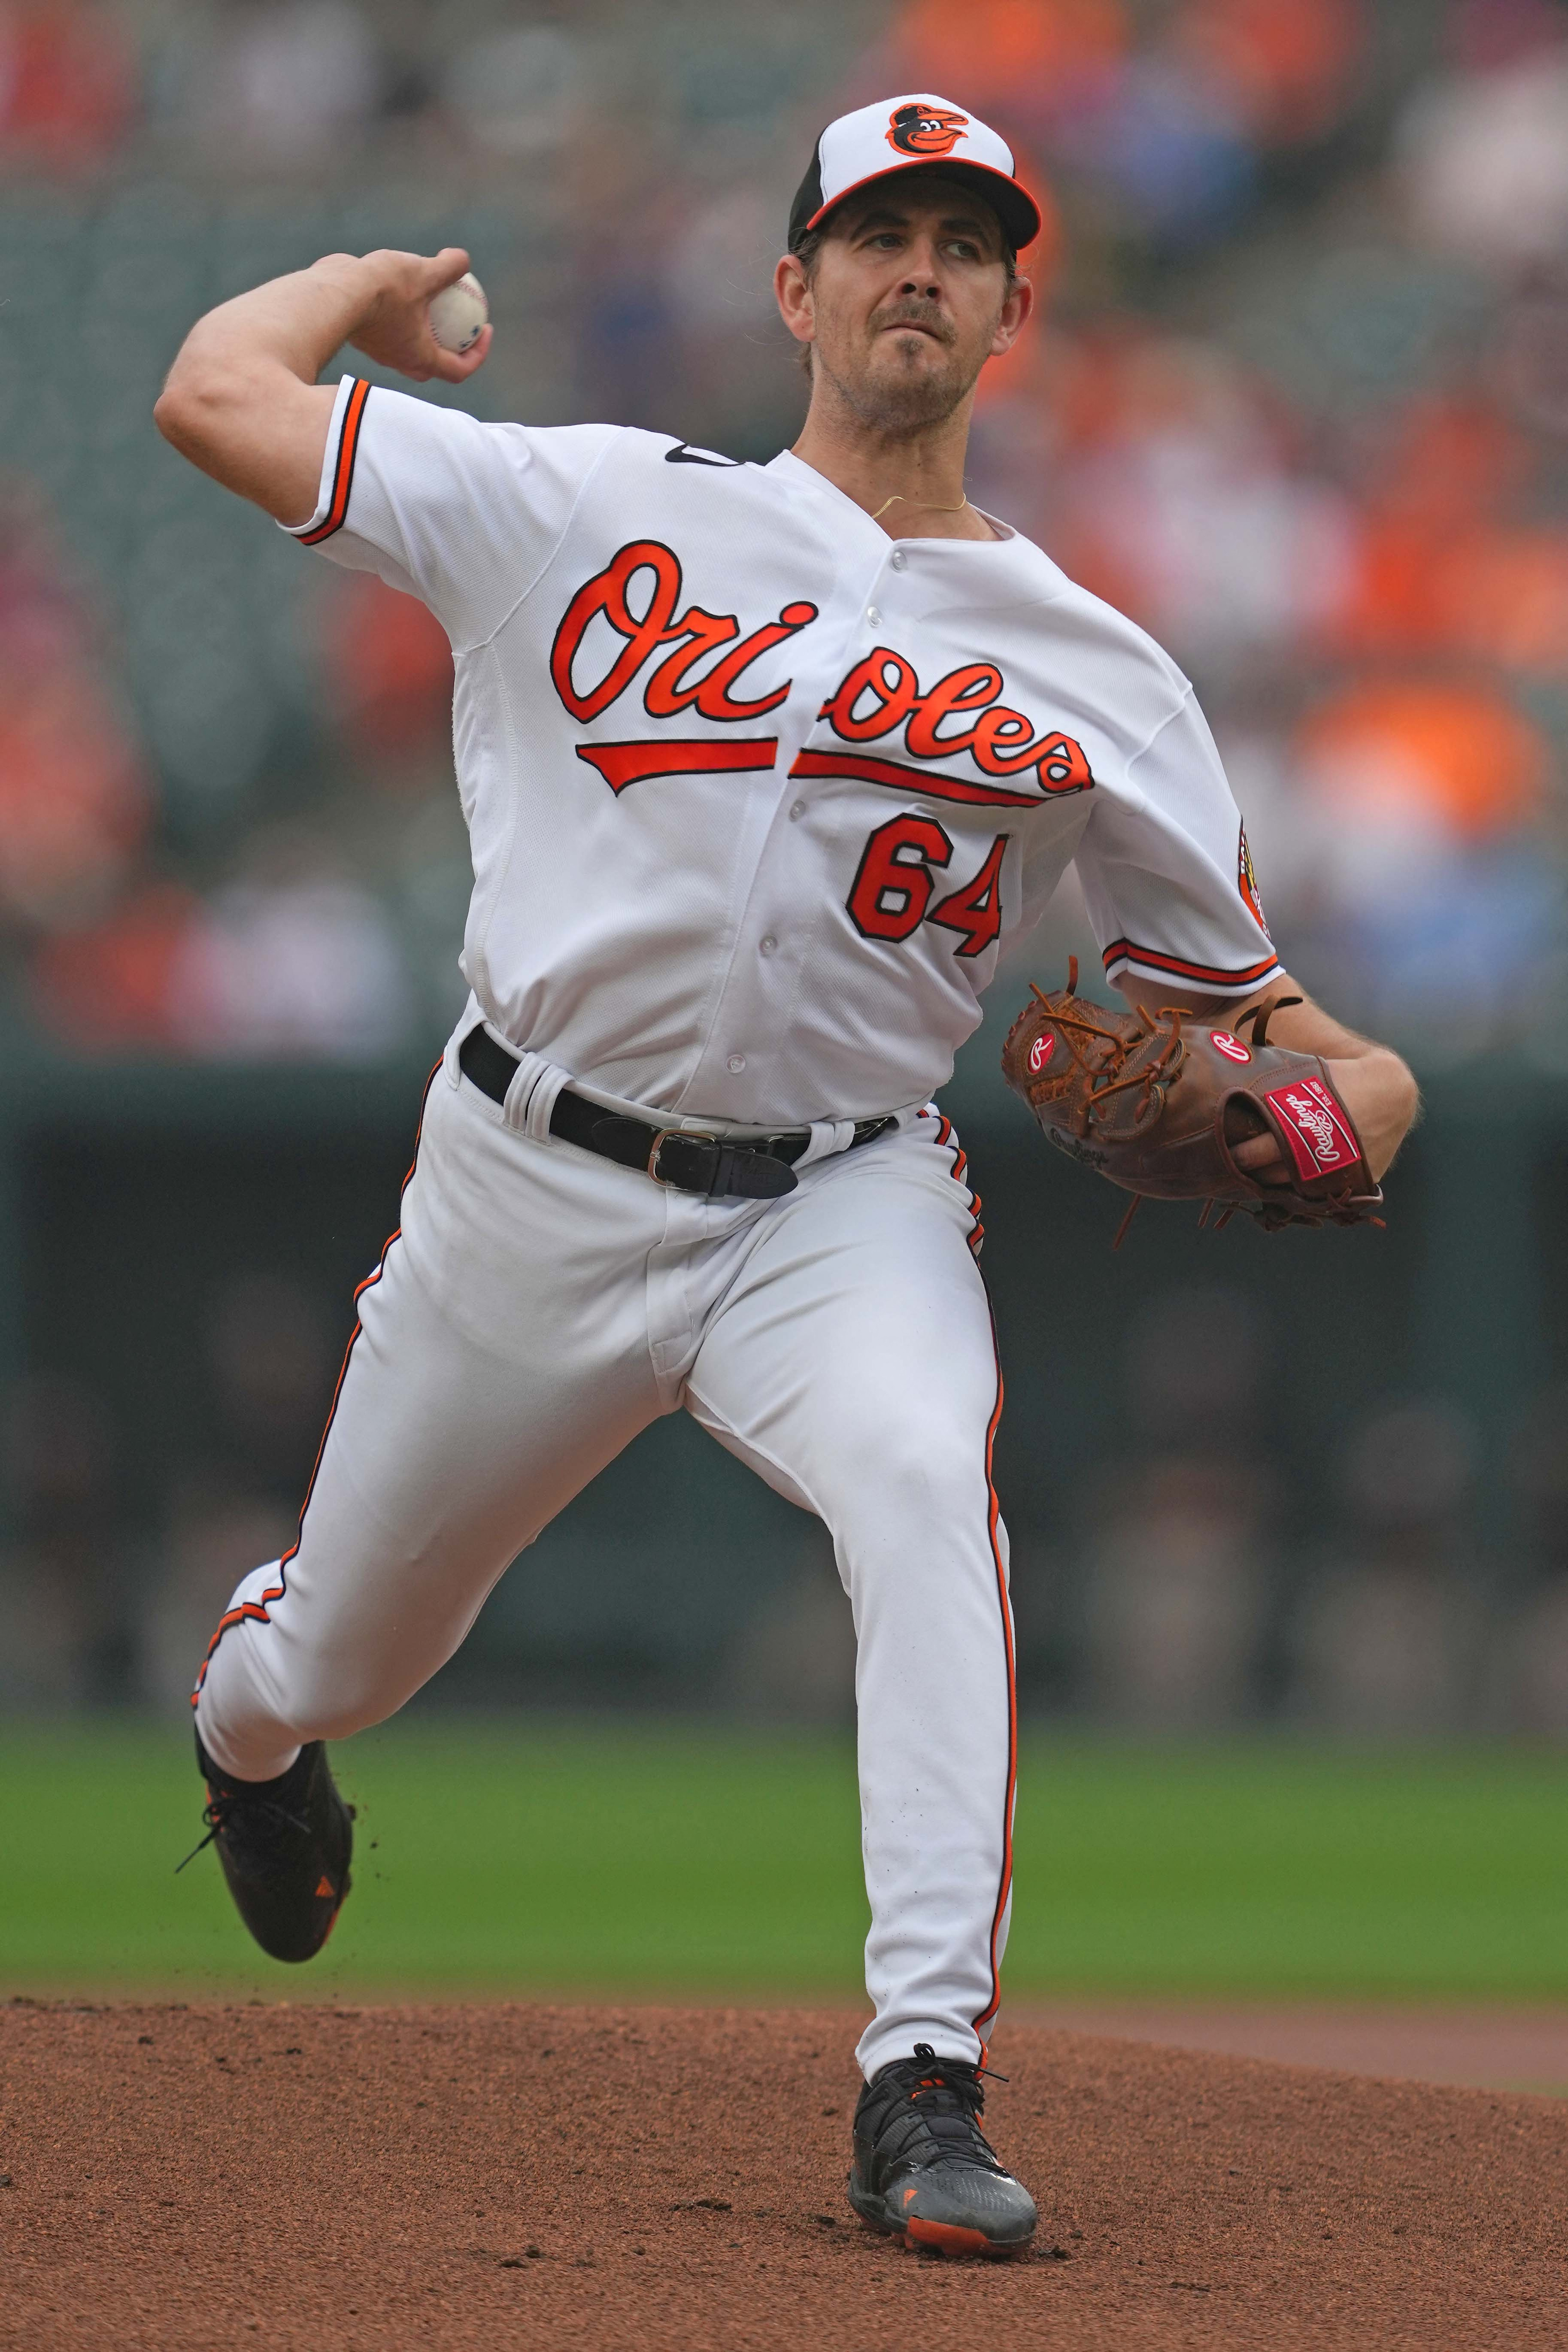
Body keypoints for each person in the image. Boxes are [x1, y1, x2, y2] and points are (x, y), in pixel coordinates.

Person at [155, 93, 1418, 2260]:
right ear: (795, 288)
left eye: (961, 238)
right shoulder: (579, 499)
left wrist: (1347, 1107)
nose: (915, 265)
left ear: (1016, 305)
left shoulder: (1097, 667)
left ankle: (919, 2079)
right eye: (875, 232)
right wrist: (363, 284)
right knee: (343, 1654)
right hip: (523, 1179)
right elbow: (212, 393)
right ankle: (249, 1732)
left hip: (835, 1196)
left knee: (928, 1477)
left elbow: (1294, 1032)